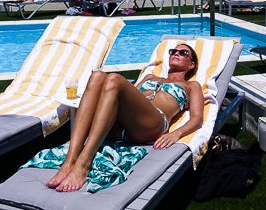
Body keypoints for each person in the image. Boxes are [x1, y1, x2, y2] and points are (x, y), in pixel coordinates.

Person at [45, 43, 204, 192]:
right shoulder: (150, 77)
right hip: (122, 124)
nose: (176, 53)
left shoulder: (191, 86)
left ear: (191, 65)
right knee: (97, 76)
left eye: (183, 52)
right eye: (173, 51)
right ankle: (69, 161)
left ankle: (83, 164)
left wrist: (176, 133)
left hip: (152, 124)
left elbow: (197, 118)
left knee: (114, 79)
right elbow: (123, 95)